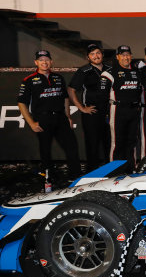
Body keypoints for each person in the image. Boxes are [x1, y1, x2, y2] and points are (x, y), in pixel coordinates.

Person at [17, 50, 81, 183]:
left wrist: (68, 116)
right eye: (41, 60)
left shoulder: (58, 78)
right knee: (45, 150)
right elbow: (21, 103)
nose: (44, 62)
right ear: (36, 62)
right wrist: (31, 123)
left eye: (46, 59)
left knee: (72, 146)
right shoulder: (28, 80)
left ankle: (75, 177)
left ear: (51, 62)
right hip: (42, 119)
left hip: (60, 117)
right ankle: (49, 178)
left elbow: (65, 98)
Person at [67, 43, 111, 172]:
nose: (96, 56)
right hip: (92, 112)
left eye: (98, 53)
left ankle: (111, 171)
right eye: (92, 54)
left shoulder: (110, 68)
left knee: (109, 143)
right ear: (88, 57)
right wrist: (82, 108)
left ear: (102, 54)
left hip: (109, 111)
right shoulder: (84, 71)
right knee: (93, 145)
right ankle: (92, 173)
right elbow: (71, 90)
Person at [100, 45, 142, 171]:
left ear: (131, 56)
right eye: (123, 55)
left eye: (128, 55)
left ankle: (130, 169)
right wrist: (105, 114)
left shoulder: (136, 72)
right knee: (117, 143)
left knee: (132, 142)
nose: (126, 57)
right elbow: (102, 97)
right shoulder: (109, 73)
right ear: (117, 57)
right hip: (118, 111)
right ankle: (114, 172)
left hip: (134, 111)